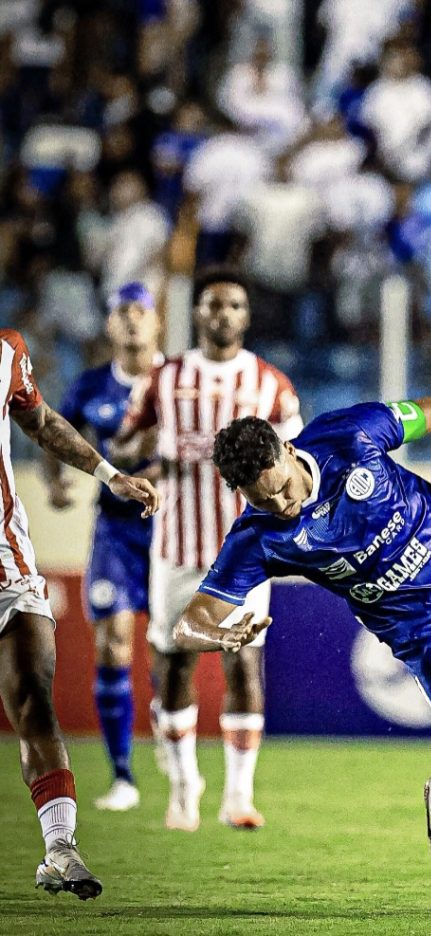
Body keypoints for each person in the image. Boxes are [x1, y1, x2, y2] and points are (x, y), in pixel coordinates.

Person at [170, 397, 431, 884]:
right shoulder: (258, 538)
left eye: (282, 489)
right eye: (262, 501)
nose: (282, 507)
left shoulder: (347, 435)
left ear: (288, 450)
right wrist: (220, 633)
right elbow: (188, 623)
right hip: (428, 634)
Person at [115, 267, 302, 832]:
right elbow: (122, 444)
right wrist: (147, 455)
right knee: (173, 664)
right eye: (213, 305)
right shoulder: (164, 377)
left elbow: (296, 459)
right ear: (197, 313)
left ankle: (238, 795)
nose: (223, 314)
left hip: (246, 549)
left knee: (245, 662)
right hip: (175, 545)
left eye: (234, 306)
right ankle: (182, 787)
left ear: (246, 316)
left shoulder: (271, 383)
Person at [0, 329, 159, 898]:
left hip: (6, 564)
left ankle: (60, 847)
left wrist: (110, 475)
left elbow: (42, 423)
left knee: (32, 695)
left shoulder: (8, 352)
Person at [44, 283, 163, 811]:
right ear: (109, 325)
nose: (132, 321)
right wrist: (54, 481)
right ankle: (122, 776)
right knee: (113, 641)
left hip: (170, 530)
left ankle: (171, 736)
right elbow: (50, 428)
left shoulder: (177, 380)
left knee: (167, 647)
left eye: (141, 311)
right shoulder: (93, 384)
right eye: (122, 312)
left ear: (158, 322)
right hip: (115, 530)